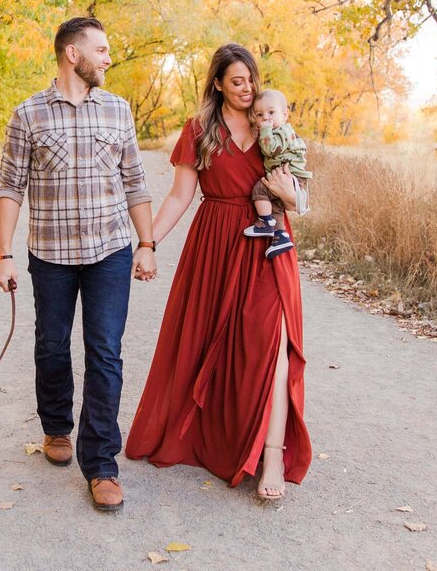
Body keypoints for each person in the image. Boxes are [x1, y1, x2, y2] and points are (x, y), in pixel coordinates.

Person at [125, 43, 312, 502]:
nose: (248, 89)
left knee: (275, 347)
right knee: (205, 342)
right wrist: (148, 244)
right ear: (218, 84)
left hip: (269, 243)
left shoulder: (272, 122)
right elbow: (178, 197)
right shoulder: (200, 130)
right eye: (237, 81)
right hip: (215, 244)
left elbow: (301, 199)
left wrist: (288, 197)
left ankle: (270, 455)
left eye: (251, 79)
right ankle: (213, 439)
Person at [0, 16, 156, 512]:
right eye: (101, 50)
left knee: (105, 352)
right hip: (51, 255)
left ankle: (102, 463)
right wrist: (3, 255)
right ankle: (56, 425)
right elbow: (9, 188)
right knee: (52, 346)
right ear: (72, 54)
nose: (109, 58)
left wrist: (147, 243)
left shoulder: (119, 111)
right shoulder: (28, 115)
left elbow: (135, 182)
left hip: (109, 251)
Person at [243, 88, 312, 259]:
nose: (265, 118)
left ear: (285, 115)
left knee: (260, 189)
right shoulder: (277, 131)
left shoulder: (283, 132)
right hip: (287, 177)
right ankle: (281, 236)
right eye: (259, 115)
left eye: (271, 112)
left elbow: (270, 149)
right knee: (276, 206)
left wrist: (264, 131)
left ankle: (266, 222)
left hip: (291, 177)